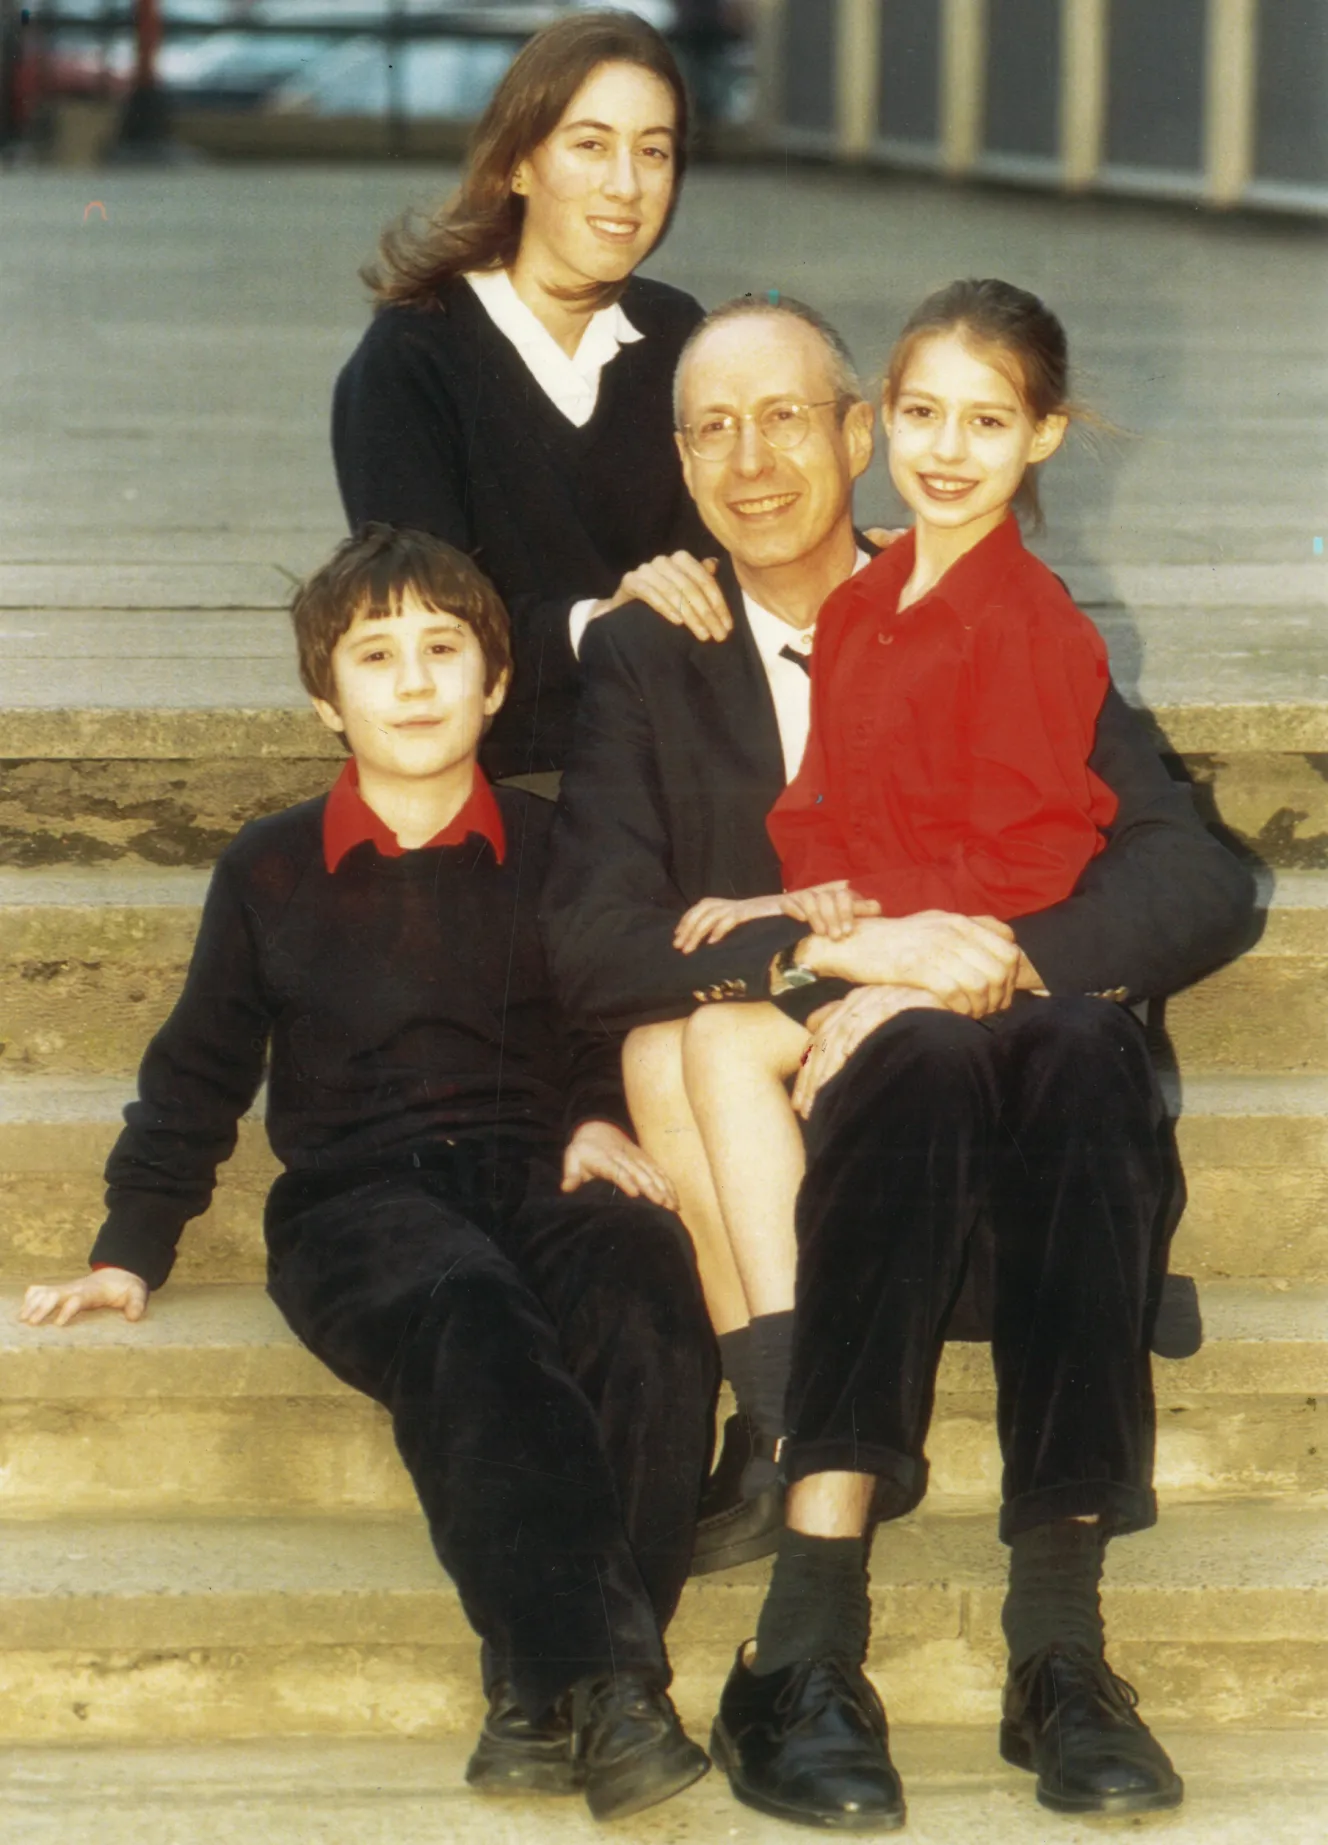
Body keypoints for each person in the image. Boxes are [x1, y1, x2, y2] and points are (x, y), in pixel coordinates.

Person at [542, 295, 1257, 1826]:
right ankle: (804, 1640)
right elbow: (595, 940)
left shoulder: (1001, 616)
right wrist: (844, 957)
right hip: (840, 1149)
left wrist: (995, 954)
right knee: (885, 1061)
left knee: (1071, 1049)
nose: (752, 460)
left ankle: (1059, 1654)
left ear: (859, 434)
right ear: (676, 459)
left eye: (789, 415)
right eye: (712, 427)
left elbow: (1192, 875)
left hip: (1037, 1150)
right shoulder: (652, 652)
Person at [18, 526, 716, 1825]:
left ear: (496, 683)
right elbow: (196, 1073)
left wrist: (593, 1114)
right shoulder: (272, 869)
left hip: (529, 1168)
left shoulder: (557, 846)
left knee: (646, 1290)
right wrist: (129, 1246)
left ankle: (536, 1692)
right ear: (323, 698)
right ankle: (614, 1683)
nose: (412, 682)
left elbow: (610, 1013)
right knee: (474, 1317)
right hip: (356, 1202)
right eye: (376, 655)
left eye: (444, 651)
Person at [668, 280, 1121, 1431]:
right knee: (714, 1039)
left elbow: (1033, 856)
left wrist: (875, 956)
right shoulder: (863, 603)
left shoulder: (1031, 620)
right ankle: (787, 1401)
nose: (948, 451)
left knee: (736, 1040)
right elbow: (817, 807)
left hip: (982, 957)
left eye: (987, 422)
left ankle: (820, 1404)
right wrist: (804, 905)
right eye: (923, 416)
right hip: (884, 936)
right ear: (880, 419)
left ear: (1043, 434)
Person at [332, 10, 736, 781]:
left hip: (669, 756)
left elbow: (718, 575)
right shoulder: (413, 358)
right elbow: (432, 628)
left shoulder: (682, 333)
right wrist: (601, 626)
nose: (626, 184)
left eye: (653, 151)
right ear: (518, 164)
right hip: (501, 775)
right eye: (591, 145)